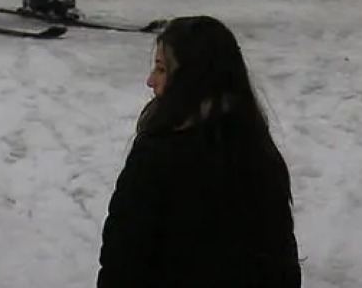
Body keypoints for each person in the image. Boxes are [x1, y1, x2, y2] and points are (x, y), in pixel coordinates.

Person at [97, 16, 302, 288]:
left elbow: (122, 260)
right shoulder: (256, 148)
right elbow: (282, 266)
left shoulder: (158, 156)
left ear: (191, 78)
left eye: (161, 69)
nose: (150, 81)